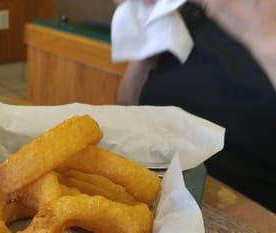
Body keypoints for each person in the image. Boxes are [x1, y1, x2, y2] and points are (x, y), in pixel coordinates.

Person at [116, 0, 276, 211]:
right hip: (155, 200)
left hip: (248, 224)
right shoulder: (192, 14)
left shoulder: (254, 20)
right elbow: (128, 104)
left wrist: (260, 33)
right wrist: (150, 25)